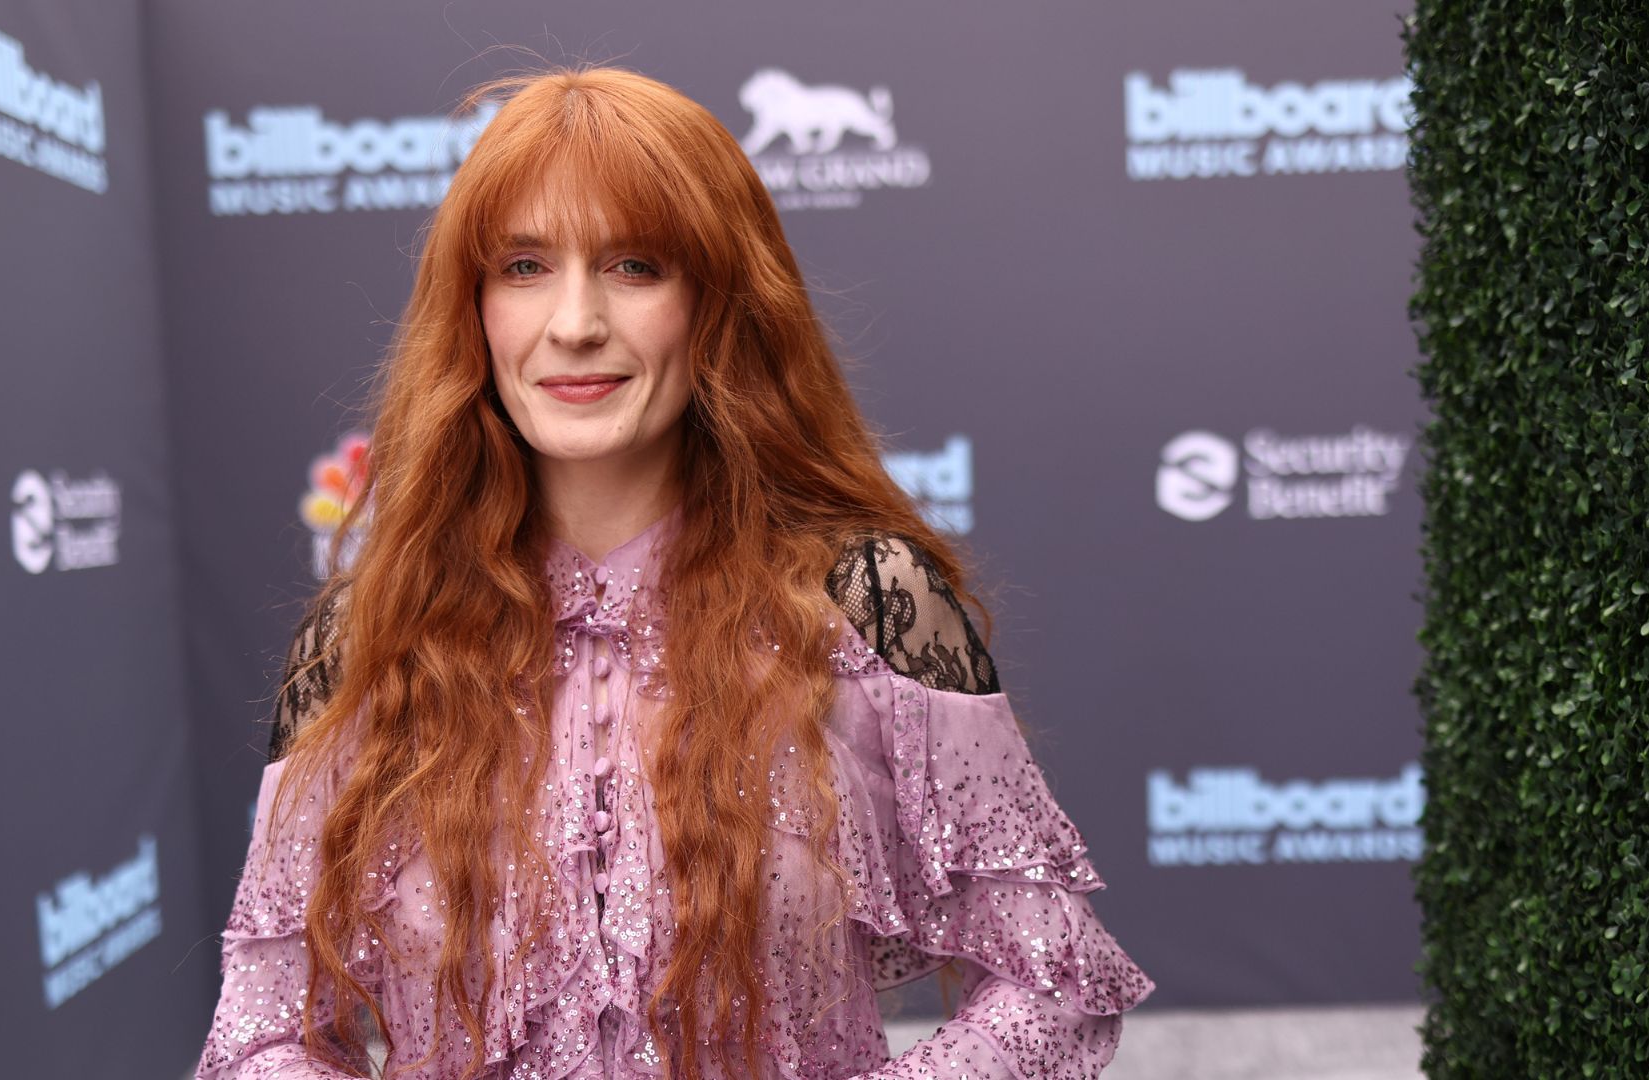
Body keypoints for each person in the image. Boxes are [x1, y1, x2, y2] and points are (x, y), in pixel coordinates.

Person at [193, 64, 1155, 1080]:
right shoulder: (368, 636)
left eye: (635, 265)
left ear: (720, 301)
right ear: (471, 309)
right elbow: (265, 1032)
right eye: (523, 267)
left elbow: (1052, 982)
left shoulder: (869, 606)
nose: (574, 322)